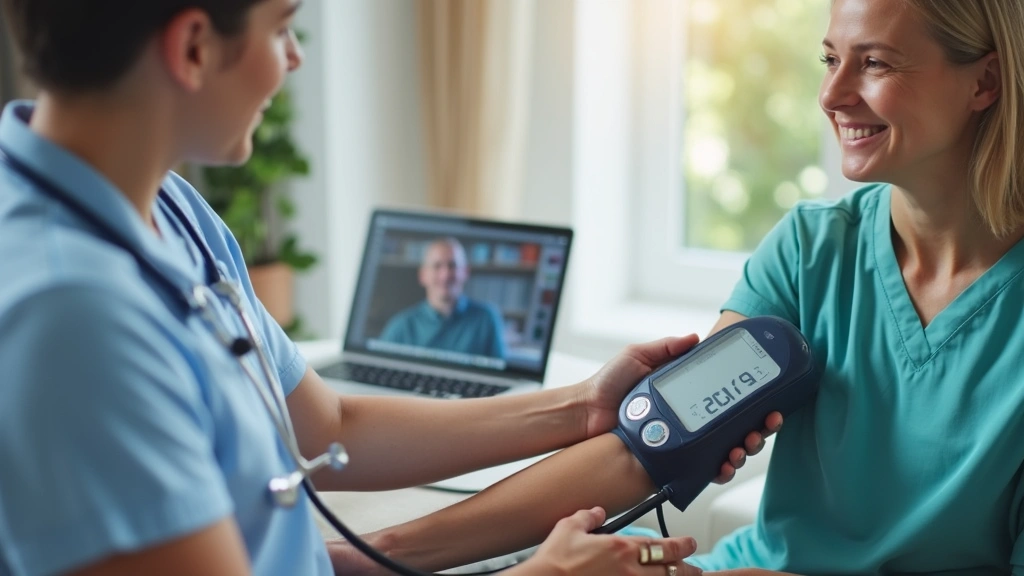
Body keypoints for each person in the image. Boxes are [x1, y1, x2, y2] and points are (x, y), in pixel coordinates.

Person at [0, 1, 777, 575]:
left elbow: (331, 428)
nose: (295, 57)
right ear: (195, 47)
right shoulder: (70, 321)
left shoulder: (169, 207)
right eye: (282, 27)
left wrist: (580, 407)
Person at [332, 0, 1024, 573]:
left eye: (874, 63)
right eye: (830, 59)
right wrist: (389, 554)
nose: (832, 95)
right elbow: (651, 446)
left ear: (984, 82)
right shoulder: (814, 250)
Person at [379, 237, 506, 359]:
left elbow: (499, 374)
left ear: (465, 272)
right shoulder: (399, 327)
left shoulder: (487, 319)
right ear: (423, 275)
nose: (445, 275)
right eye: (437, 266)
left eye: (452, 265)